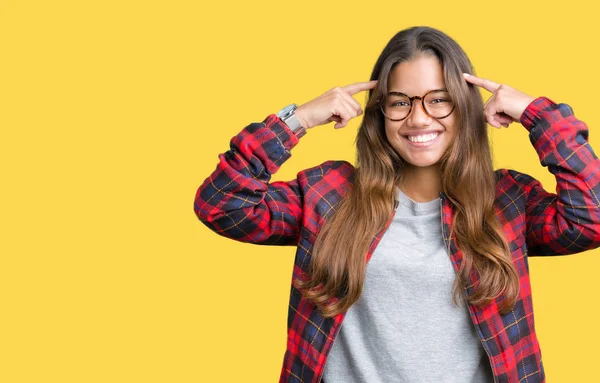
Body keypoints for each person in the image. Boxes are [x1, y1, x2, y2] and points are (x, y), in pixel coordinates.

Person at [193, 26, 600, 383]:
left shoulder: (508, 201)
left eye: (439, 100)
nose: (419, 119)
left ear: (465, 106)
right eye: (401, 101)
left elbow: (592, 218)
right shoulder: (328, 195)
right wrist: (297, 118)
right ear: (381, 112)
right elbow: (222, 204)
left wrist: (537, 114)